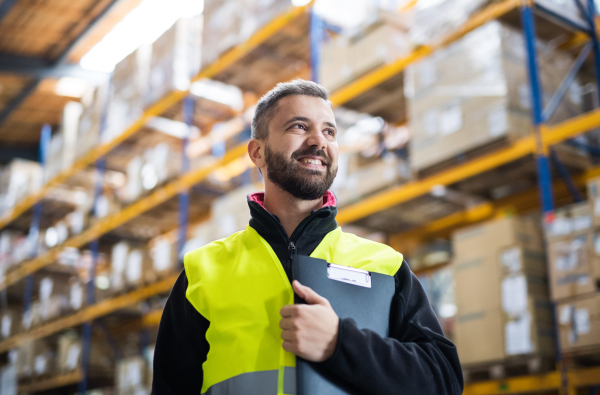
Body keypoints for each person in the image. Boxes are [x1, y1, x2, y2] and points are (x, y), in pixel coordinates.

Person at [152, 79, 463, 394]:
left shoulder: (384, 266)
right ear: (257, 152)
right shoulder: (203, 273)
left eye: (329, 132)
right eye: (299, 127)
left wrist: (340, 343)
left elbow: (444, 381)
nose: (319, 141)